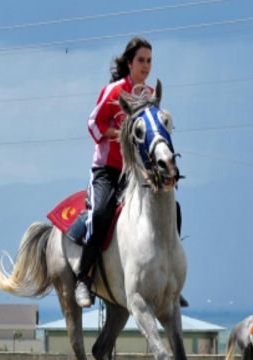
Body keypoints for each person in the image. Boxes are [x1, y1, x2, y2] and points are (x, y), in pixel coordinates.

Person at [74, 37, 153, 308]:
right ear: (129, 63)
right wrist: (118, 134)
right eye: (141, 60)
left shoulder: (150, 95)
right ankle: (83, 278)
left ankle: (167, 278)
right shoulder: (114, 91)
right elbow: (93, 124)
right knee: (100, 213)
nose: (146, 66)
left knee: (170, 209)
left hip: (136, 173)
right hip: (107, 170)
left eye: (149, 61)